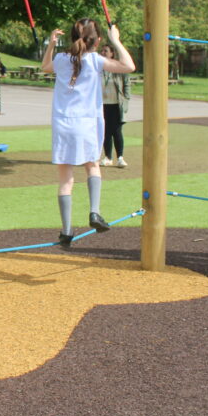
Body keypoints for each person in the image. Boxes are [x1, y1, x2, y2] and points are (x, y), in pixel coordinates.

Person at [41, 19, 135, 248]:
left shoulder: (62, 60)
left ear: (72, 37)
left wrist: (51, 45)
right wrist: (116, 40)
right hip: (87, 124)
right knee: (92, 166)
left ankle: (66, 232)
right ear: (98, 40)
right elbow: (129, 66)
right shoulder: (96, 60)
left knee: (65, 180)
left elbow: (45, 67)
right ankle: (94, 212)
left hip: (63, 123)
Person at [99, 44, 132, 168]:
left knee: (117, 131)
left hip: (116, 104)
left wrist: (126, 99)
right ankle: (107, 157)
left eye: (106, 51)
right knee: (105, 132)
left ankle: (120, 157)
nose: (103, 52)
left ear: (112, 53)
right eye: (102, 50)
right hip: (102, 105)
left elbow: (127, 84)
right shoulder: (99, 68)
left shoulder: (118, 67)